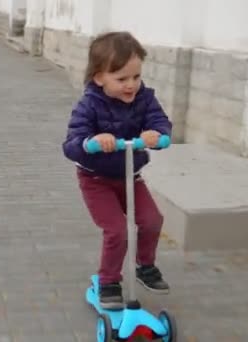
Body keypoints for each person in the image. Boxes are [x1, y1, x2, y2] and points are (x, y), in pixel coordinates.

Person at [62, 31, 172, 310]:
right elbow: (71, 144)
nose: (131, 85)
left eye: (135, 77)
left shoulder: (144, 99)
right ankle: (109, 280)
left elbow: (160, 122)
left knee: (152, 220)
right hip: (96, 180)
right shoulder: (89, 105)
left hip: (130, 176)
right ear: (100, 78)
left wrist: (157, 135)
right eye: (121, 79)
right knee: (117, 230)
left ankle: (145, 266)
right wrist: (92, 143)